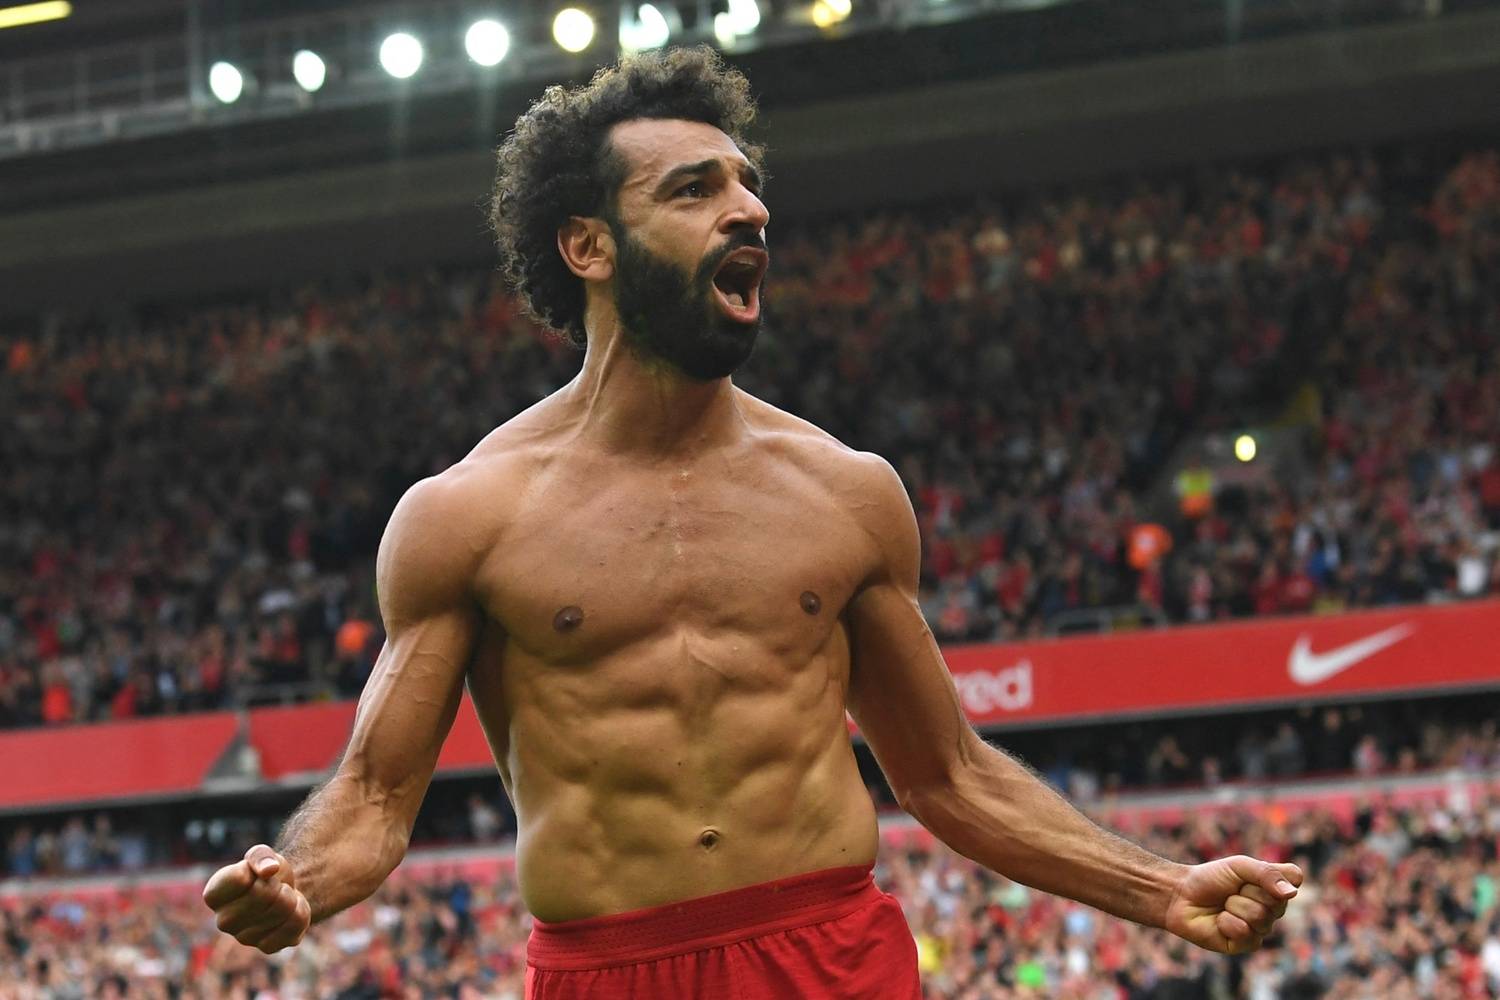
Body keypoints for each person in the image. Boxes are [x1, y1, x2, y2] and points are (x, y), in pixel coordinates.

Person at [202, 47, 1303, 997]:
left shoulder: (846, 491)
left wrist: (1161, 889)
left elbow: (948, 775)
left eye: (748, 184)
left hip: (832, 955)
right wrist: (299, 881)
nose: (750, 209)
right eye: (694, 189)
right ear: (587, 247)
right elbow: (377, 792)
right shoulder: (466, 517)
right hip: (607, 969)